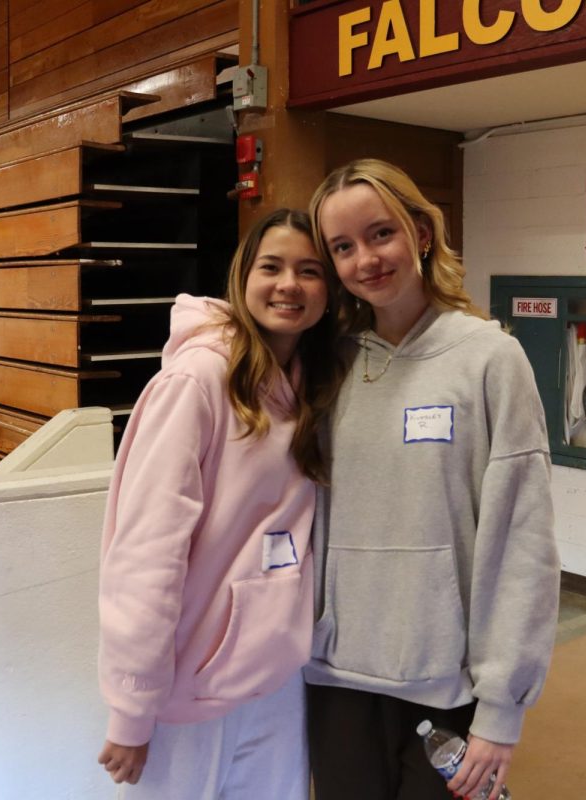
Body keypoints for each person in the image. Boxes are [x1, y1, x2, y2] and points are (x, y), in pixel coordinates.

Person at [304, 159, 560, 800]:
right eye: (343, 246)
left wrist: (503, 709)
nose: (366, 259)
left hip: (450, 689)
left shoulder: (490, 358)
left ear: (420, 232)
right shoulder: (329, 367)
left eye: (380, 233)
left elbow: (522, 542)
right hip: (335, 681)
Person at [96, 209, 341, 799]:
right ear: (242, 276)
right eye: (272, 267)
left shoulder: (313, 384)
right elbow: (147, 549)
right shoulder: (198, 380)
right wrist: (132, 706)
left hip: (277, 679)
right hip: (191, 687)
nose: (289, 284)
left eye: (310, 271)